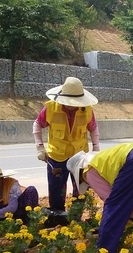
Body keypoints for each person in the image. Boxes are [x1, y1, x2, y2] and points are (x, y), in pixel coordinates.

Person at [67, 141, 133, 253]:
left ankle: (104, 252)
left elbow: (113, 202)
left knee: (114, 206)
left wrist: (107, 227)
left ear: (79, 172)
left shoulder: (88, 171)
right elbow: (128, 194)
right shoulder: (103, 160)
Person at [33, 77, 100, 213]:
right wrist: (40, 147)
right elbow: (37, 125)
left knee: (81, 188)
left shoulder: (87, 110)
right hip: (57, 156)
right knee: (56, 187)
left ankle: (75, 216)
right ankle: (57, 214)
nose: (74, 105)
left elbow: (93, 129)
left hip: (80, 157)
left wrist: (96, 149)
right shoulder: (50, 108)